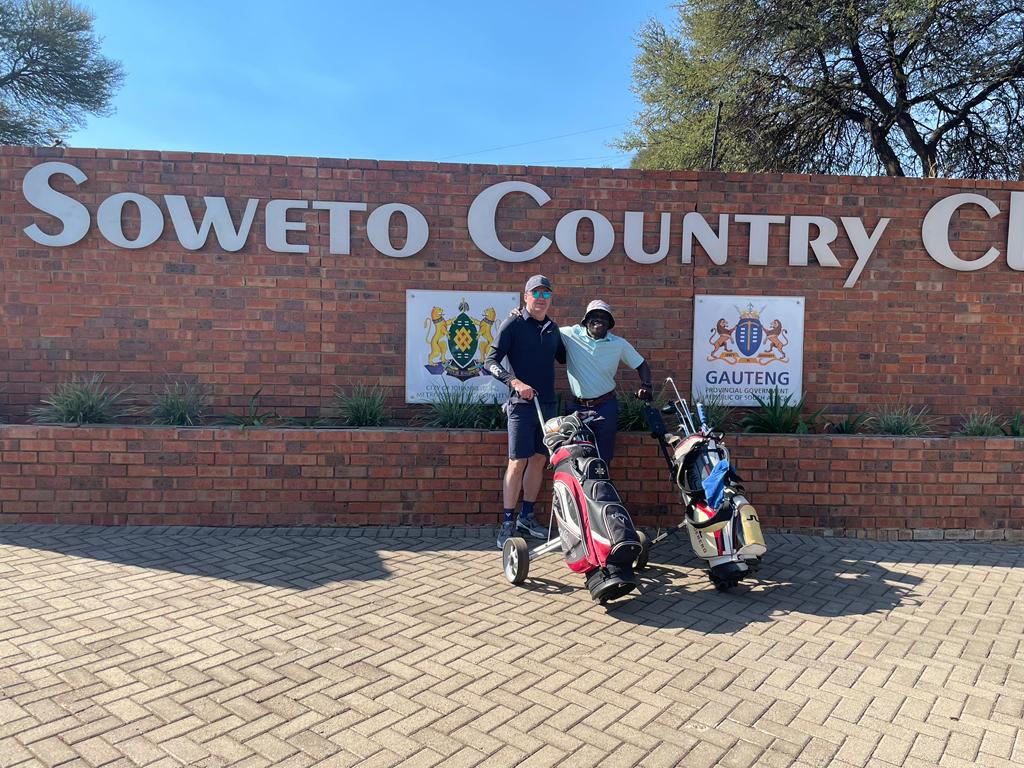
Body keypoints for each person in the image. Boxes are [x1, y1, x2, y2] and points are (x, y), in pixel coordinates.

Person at [485, 275, 566, 549]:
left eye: (546, 294)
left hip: (548, 407)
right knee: (517, 462)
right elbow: (489, 361)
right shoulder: (513, 324)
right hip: (520, 407)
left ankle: (526, 517)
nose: (541, 299)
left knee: (538, 461)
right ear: (526, 296)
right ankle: (507, 521)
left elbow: (568, 356)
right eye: (536, 293)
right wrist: (515, 382)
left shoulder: (554, 329)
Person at [560, 300, 652, 464]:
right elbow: (543, 329)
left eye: (604, 317)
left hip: (605, 407)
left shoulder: (618, 344)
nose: (599, 319)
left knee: (603, 458)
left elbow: (641, 364)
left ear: (609, 323)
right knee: (575, 457)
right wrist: (520, 315)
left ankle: (600, 489)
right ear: (586, 320)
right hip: (577, 408)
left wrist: (646, 385)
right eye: (594, 316)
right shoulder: (570, 334)